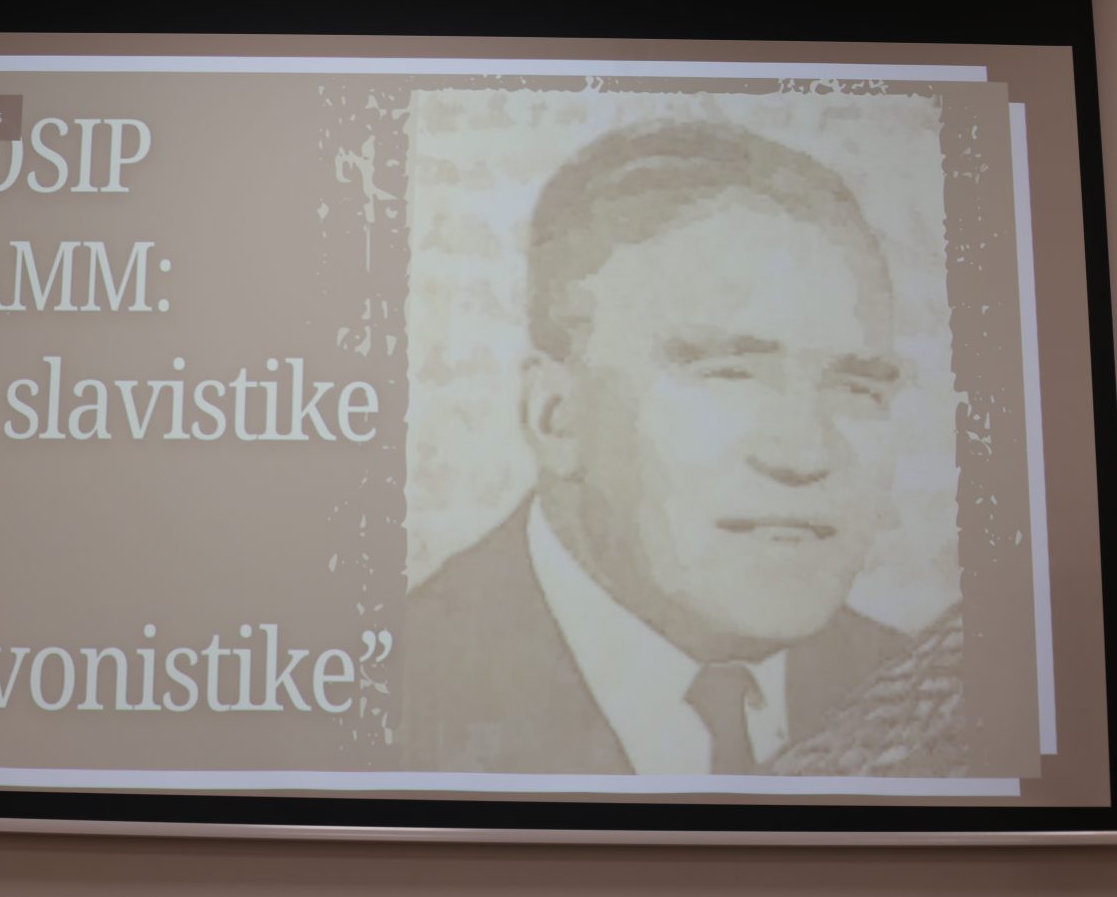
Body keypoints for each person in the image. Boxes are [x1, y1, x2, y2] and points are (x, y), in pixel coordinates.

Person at [400, 120, 959, 776]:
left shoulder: (936, 707)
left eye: (857, 388)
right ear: (557, 417)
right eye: (729, 374)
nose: (806, 454)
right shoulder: (394, 691)